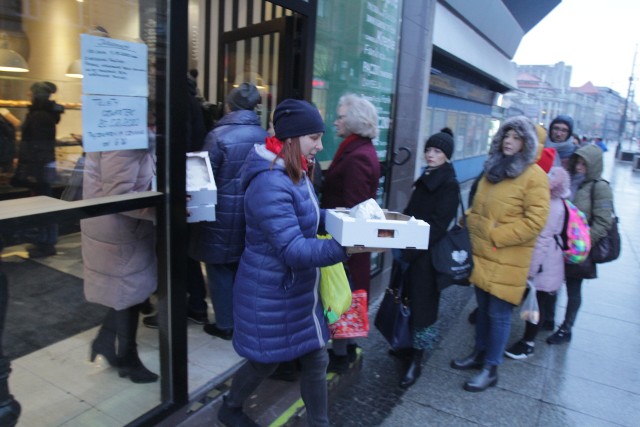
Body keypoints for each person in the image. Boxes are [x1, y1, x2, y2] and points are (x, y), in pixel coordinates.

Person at [217, 99, 350, 427]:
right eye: (313, 138)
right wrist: (348, 247)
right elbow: (293, 249)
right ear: (291, 138)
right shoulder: (270, 181)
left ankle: (320, 423)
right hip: (270, 291)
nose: (320, 145)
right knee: (264, 362)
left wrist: (350, 221)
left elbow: (309, 219)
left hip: (297, 292)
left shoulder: (295, 169)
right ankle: (230, 407)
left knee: (316, 358)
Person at [450, 116, 549, 392]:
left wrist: (496, 235)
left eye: (516, 137)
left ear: (526, 143)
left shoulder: (535, 176)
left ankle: (491, 367)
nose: (509, 141)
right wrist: (466, 221)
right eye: (507, 135)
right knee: (482, 309)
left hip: (506, 258)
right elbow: (481, 208)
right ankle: (479, 354)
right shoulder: (494, 169)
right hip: (481, 254)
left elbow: (535, 221)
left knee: (498, 313)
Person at [189, 82, 267, 340]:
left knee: (218, 267)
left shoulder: (218, 135)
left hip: (219, 214)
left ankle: (225, 324)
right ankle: (239, 319)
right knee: (237, 266)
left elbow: (200, 176)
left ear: (229, 105)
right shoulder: (263, 135)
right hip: (250, 212)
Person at [82, 120, 158, 384]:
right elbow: (120, 195)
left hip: (120, 227)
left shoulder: (124, 128)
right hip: (118, 230)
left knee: (128, 293)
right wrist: (163, 209)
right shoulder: (126, 134)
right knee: (127, 295)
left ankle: (104, 341)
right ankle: (128, 359)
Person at [389, 129, 459, 388]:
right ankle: (406, 348)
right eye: (429, 150)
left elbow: (439, 225)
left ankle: (417, 361)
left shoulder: (448, 183)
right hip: (411, 251)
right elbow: (411, 213)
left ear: (447, 157)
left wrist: (412, 249)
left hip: (427, 256)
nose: (431, 155)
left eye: (437, 152)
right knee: (407, 299)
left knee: (424, 308)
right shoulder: (428, 176)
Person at [320, 93, 381, 374]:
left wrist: (343, 248)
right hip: (346, 240)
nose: (336, 121)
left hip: (346, 242)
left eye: (341, 116)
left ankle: (341, 354)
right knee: (348, 292)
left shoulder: (357, 156)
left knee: (343, 292)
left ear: (354, 121)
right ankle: (348, 345)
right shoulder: (356, 149)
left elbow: (353, 210)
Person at [546, 143, 614, 345]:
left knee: (573, 289)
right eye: (579, 161)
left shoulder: (599, 187)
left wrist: (583, 243)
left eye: (585, 163)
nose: (579, 166)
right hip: (560, 244)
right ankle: (548, 319)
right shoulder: (572, 180)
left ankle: (566, 328)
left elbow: (604, 221)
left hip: (579, 249)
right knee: (551, 284)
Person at [504, 160, 570, 359]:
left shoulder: (550, 205)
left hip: (543, 264)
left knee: (534, 306)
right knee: (536, 303)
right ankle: (528, 338)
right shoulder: (559, 202)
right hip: (551, 261)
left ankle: (527, 343)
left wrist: (530, 270)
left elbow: (542, 239)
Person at [16, 82, 64, 258]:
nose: (28, 96)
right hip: (42, 165)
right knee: (44, 202)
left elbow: (37, 144)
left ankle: (46, 243)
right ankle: (44, 241)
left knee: (44, 204)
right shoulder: (45, 114)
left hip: (39, 167)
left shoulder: (39, 115)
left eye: (30, 93)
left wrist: (31, 168)